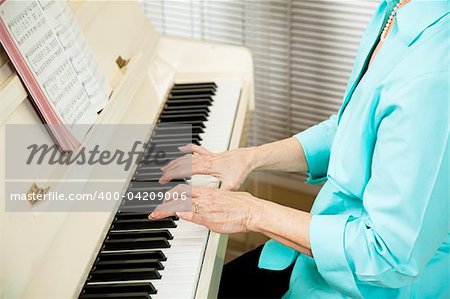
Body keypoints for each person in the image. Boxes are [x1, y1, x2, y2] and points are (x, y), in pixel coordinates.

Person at [150, 0, 449, 298]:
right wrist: (247, 158)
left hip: (371, 285)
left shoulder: (433, 75)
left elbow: (387, 256)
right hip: (322, 257)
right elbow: (351, 129)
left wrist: (250, 212)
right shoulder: (394, 10)